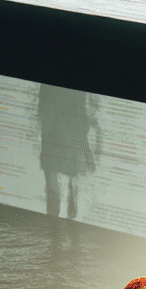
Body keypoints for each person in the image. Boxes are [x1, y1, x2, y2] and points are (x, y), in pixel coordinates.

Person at [37, 84, 101, 219]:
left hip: (57, 133)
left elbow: (43, 107)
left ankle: (61, 204)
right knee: (63, 175)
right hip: (64, 132)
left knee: (54, 178)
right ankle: (69, 197)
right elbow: (80, 111)